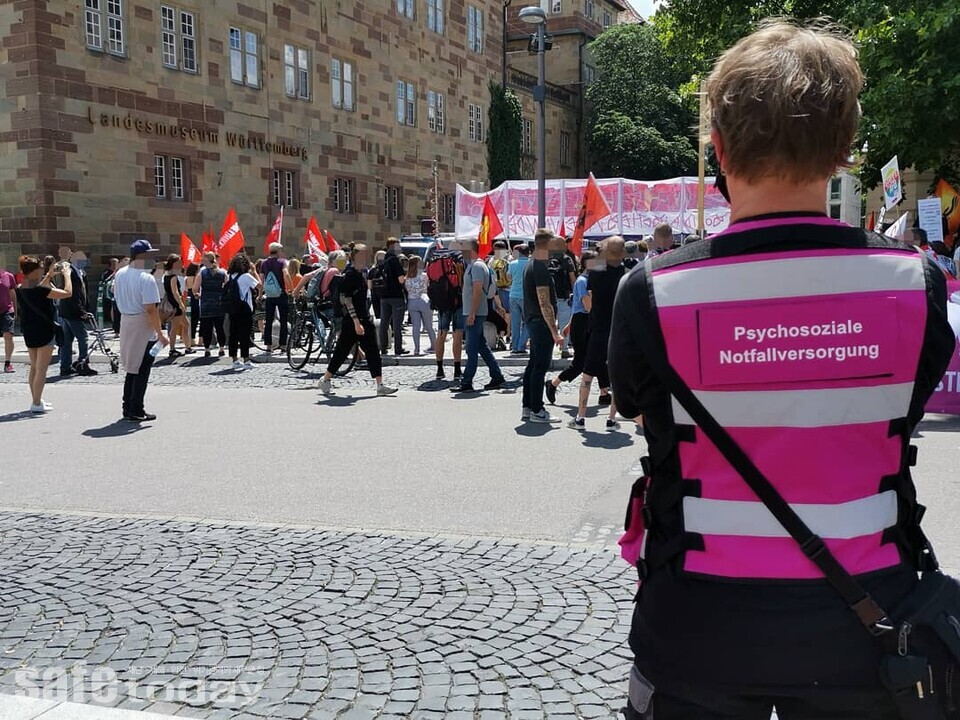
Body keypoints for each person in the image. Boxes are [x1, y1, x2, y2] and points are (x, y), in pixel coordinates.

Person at [610, 22, 955, 719]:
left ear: (720, 149)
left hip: (697, 623)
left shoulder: (651, 290)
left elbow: (640, 412)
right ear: (844, 149)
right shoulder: (915, 282)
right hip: (870, 624)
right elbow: (909, 408)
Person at [317, 244, 397, 397]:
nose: (364, 258)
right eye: (361, 256)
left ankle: (380, 385)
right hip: (352, 321)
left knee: (373, 351)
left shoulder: (362, 273)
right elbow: (345, 298)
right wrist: (356, 322)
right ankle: (325, 379)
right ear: (354, 257)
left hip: (364, 319)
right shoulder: (350, 274)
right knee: (341, 352)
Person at [568, 237, 625, 431]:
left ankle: (581, 417)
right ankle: (611, 419)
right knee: (616, 375)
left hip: (597, 327)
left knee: (587, 375)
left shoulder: (595, 269)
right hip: (617, 329)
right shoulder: (624, 272)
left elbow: (590, 296)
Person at [114, 239, 168, 422]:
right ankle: (136, 408)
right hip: (141, 324)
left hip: (126, 321)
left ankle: (127, 406)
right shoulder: (146, 278)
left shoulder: (120, 274)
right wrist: (160, 333)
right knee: (142, 368)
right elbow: (151, 309)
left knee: (132, 367)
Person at [15, 256, 73, 412]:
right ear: (34, 271)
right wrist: (67, 275)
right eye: (40, 267)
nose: (42, 269)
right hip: (44, 330)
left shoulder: (21, 286)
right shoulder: (41, 290)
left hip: (29, 330)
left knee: (34, 367)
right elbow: (67, 293)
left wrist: (48, 276)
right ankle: (36, 404)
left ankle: (37, 399)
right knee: (41, 369)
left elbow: (38, 286)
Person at [451, 240, 505, 393]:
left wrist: (472, 312)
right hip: (473, 312)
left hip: (475, 313)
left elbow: (477, 290)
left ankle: (467, 381)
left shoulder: (477, 266)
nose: (461, 252)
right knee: (481, 346)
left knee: (471, 348)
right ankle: (497, 376)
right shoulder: (475, 266)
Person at [521, 229, 563, 423]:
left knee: (533, 365)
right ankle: (537, 409)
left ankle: (528, 406)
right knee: (540, 367)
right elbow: (544, 302)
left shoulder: (533, 264)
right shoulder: (539, 267)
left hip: (533, 320)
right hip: (540, 321)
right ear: (547, 244)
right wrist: (555, 331)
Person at [545, 249, 596, 405]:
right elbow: (587, 307)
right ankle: (553, 383)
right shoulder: (583, 281)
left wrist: (568, 325)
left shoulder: (588, 280)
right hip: (584, 322)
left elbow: (577, 307)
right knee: (580, 362)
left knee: (594, 358)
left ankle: (604, 391)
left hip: (582, 322)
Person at [55, 246, 94, 377]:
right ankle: (83, 364)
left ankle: (65, 367)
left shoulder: (80, 272)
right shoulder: (71, 272)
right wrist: (81, 311)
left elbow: (83, 293)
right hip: (72, 312)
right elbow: (73, 295)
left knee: (67, 341)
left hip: (67, 311)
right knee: (83, 338)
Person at [225, 253, 259, 370]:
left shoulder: (229, 276)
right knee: (245, 334)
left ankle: (234, 359)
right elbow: (259, 285)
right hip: (244, 309)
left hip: (233, 308)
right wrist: (254, 272)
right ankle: (246, 360)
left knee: (233, 334)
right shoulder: (246, 276)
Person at [549, 236, 578, 359]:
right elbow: (572, 278)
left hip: (549, 296)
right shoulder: (567, 259)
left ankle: (548, 351)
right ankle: (564, 349)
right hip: (564, 296)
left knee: (549, 324)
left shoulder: (547, 258)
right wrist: (575, 292)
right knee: (564, 323)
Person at [377, 238, 408, 356]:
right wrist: (406, 277)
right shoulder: (394, 260)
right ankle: (398, 348)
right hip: (396, 295)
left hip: (384, 295)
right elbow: (400, 280)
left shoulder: (382, 259)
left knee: (384, 323)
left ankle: (383, 348)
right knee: (397, 324)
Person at [194, 252, 226, 357]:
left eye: (203, 259)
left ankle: (207, 349)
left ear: (207, 260)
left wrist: (197, 295)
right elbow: (226, 287)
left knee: (207, 328)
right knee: (220, 327)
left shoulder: (202, 273)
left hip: (206, 304)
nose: (201, 260)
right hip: (219, 303)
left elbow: (195, 289)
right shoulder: (222, 272)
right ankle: (221, 348)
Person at [261, 242, 292, 352]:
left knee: (268, 320)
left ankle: (269, 346)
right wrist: (291, 288)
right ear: (278, 251)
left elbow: (261, 280)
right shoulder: (282, 262)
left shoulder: (264, 263)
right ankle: (283, 345)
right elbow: (286, 274)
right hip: (281, 293)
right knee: (283, 319)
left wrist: (260, 294)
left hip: (269, 295)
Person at [162, 254, 191, 358]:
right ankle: (172, 349)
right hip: (175, 304)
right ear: (173, 264)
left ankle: (187, 347)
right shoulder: (173, 277)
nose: (180, 264)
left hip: (172, 302)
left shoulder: (166, 275)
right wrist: (181, 304)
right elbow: (175, 292)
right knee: (174, 328)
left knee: (186, 324)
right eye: (178, 262)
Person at [405, 256, 436, 356]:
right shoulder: (424, 276)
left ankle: (417, 349)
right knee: (429, 326)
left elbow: (408, 290)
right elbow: (425, 288)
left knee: (415, 326)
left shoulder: (407, 278)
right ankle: (434, 346)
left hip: (412, 302)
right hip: (424, 300)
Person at [508, 243, 531, 354]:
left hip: (513, 295)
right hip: (526, 296)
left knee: (515, 323)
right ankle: (522, 345)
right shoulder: (531, 263)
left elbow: (508, 277)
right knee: (528, 322)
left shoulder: (512, 264)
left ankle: (515, 346)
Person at [0, 264, 16, 373]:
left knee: (8, 335)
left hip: (7, 309)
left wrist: (15, 309)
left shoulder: (8, 276)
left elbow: (12, 292)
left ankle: (7, 363)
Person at [99, 258, 119, 335]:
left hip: (116, 294)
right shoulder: (106, 273)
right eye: (114, 264)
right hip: (108, 295)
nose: (116, 266)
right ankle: (114, 324)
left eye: (117, 263)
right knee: (112, 309)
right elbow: (105, 282)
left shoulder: (119, 272)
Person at [185, 262, 201, 343]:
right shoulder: (196, 277)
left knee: (189, 320)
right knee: (196, 319)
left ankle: (190, 338)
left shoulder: (186, 278)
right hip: (195, 297)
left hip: (188, 298)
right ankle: (194, 339)